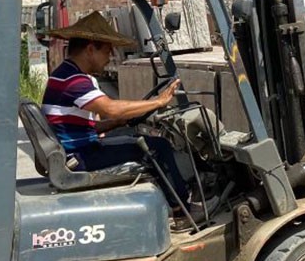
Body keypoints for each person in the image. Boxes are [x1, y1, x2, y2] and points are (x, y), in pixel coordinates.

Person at [41, 11, 207, 228]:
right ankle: (182, 211)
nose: (109, 58)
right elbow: (110, 108)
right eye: (107, 51)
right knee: (159, 147)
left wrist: (116, 123)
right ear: (90, 49)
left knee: (133, 137)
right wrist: (158, 102)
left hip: (76, 150)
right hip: (81, 156)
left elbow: (79, 124)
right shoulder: (74, 80)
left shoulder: (63, 74)